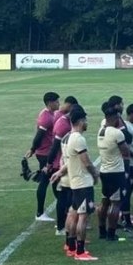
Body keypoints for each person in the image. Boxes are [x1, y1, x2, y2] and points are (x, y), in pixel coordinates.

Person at [52, 106, 100, 261]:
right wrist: (95, 174)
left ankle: (70, 245)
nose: (87, 123)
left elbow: (69, 161)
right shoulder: (78, 138)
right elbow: (85, 161)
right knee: (83, 217)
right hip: (82, 183)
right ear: (80, 121)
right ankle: (80, 251)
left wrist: (60, 172)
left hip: (74, 182)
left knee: (73, 214)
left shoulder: (68, 137)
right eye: (85, 120)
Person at [45, 96, 78, 236]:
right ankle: (61, 226)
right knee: (64, 197)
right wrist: (49, 163)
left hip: (64, 164)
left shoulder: (66, 123)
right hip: (62, 166)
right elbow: (54, 146)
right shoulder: (63, 124)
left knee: (67, 196)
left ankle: (65, 224)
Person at [96, 102, 130, 241]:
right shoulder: (117, 133)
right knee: (116, 203)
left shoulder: (100, 131)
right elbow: (126, 152)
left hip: (104, 170)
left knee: (104, 201)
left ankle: (102, 231)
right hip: (116, 172)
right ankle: (111, 233)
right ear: (116, 118)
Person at [25, 92, 60, 222]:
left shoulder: (50, 114)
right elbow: (39, 135)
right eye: (57, 101)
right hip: (45, 154)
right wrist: (33, 149)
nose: (58, 103)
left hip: (47, 152)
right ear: (50, 103)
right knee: (48, 181)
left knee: (50, 180)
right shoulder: (46, 117)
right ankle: (40, 213)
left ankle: (48, 210)